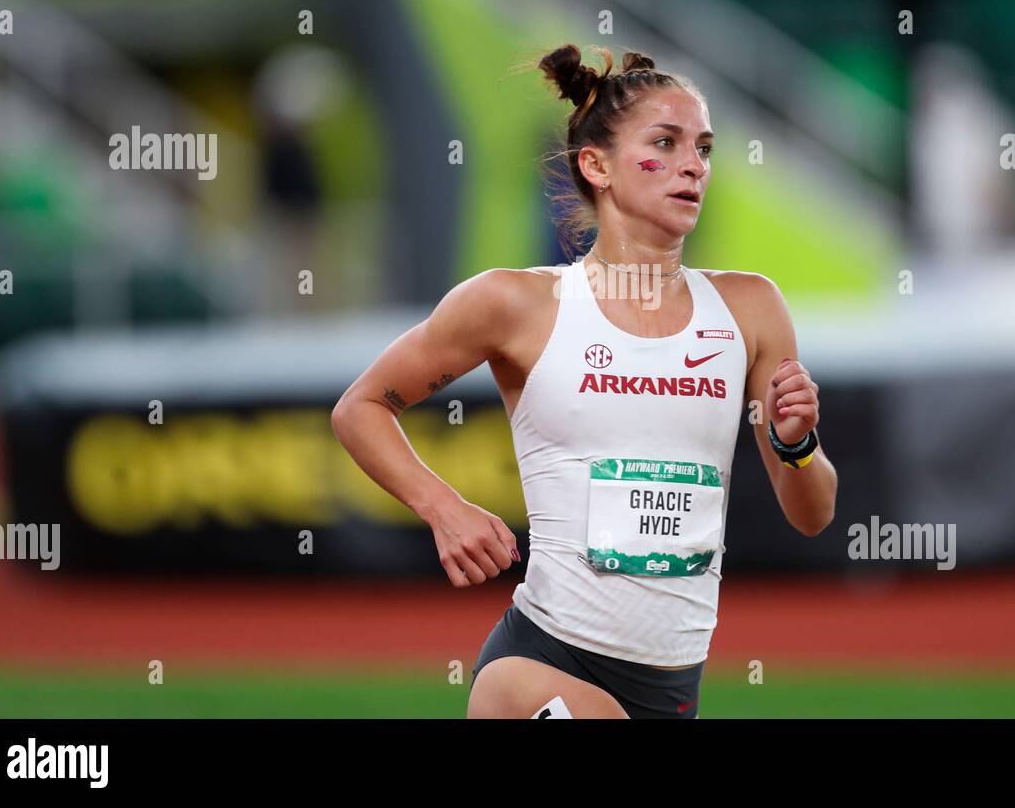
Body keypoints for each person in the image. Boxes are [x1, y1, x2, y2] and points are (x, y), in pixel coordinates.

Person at [331, 44, 837, 719]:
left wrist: (797, 444)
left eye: (705, 148)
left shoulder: (750, 309)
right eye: (666, 142)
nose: (693, 165)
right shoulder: (517, 304)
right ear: (596, 165)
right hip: (542, 661)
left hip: (671, 689)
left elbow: (812, 515)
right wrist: (442, 508)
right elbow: (361, 407)